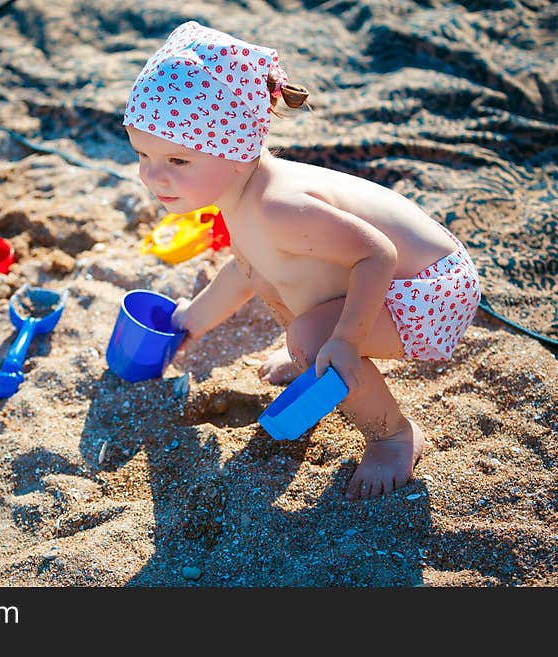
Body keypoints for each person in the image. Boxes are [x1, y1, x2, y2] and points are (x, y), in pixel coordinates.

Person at [123, 21, 480, 500]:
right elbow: (246, 269)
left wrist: (346, 341)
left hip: (430, 291)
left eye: (178, 161)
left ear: (234, 150)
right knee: (269, 274)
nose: (152, 176)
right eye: (142, 154)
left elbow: (377, 254)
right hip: (384, 271)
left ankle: (394, 435)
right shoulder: (242, 191)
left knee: (313, 335)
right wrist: (191, 320)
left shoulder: (278, 207)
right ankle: (313, 352)